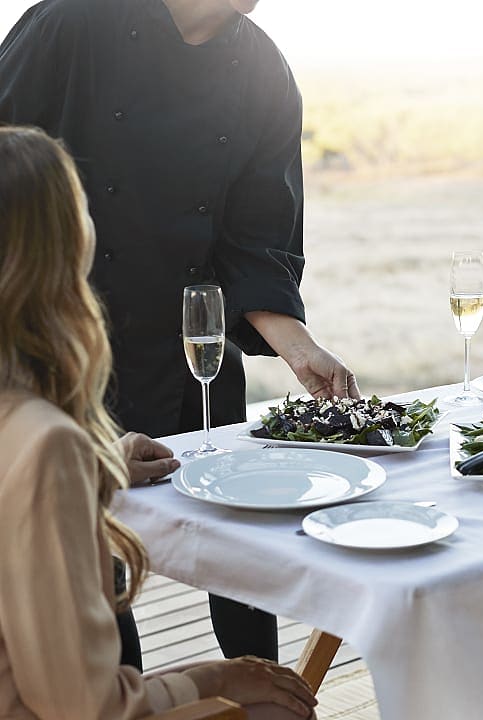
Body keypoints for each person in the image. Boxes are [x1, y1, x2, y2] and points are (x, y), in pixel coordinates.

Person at [0, 0, 359, 667]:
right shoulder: (70, 24)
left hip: (194, 350)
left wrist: (302, 353)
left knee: (243, 544)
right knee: (93, 562)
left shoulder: (264, 72)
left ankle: (269, 693)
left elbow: (257, 243)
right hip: (68, 348)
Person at [0, 125, 318, 719]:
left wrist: (98, 468)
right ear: (64, 249)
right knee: (280, 705)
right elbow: (83, 705)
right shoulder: (46, 444)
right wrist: (221, 676)